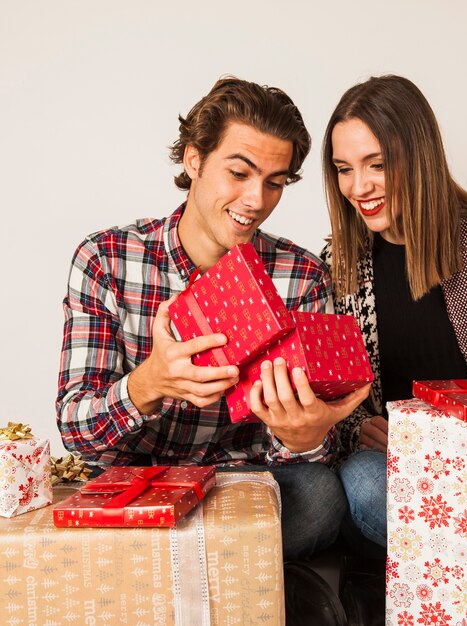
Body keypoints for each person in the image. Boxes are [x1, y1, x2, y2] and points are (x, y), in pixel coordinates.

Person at [56, 77, 370, 572]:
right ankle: (196, 563)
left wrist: (302, 437)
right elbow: (76, 431)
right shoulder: (106, 259)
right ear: (194, 158)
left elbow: (309, 455)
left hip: (240, 486)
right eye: (239, 173)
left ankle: (154, 566)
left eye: (275, 182)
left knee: (320, 496)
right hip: (135, 480)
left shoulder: (302, 276)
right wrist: (147, 384)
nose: (255, 199)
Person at [320, 74, 467, 622]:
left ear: (417, 155)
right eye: (344, 169)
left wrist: (439, 439)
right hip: (393, 469)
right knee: (367, 489)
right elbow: (341, 404)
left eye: (376, 164)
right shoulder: (340, 261)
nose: (359, 187)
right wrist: (358, 428)